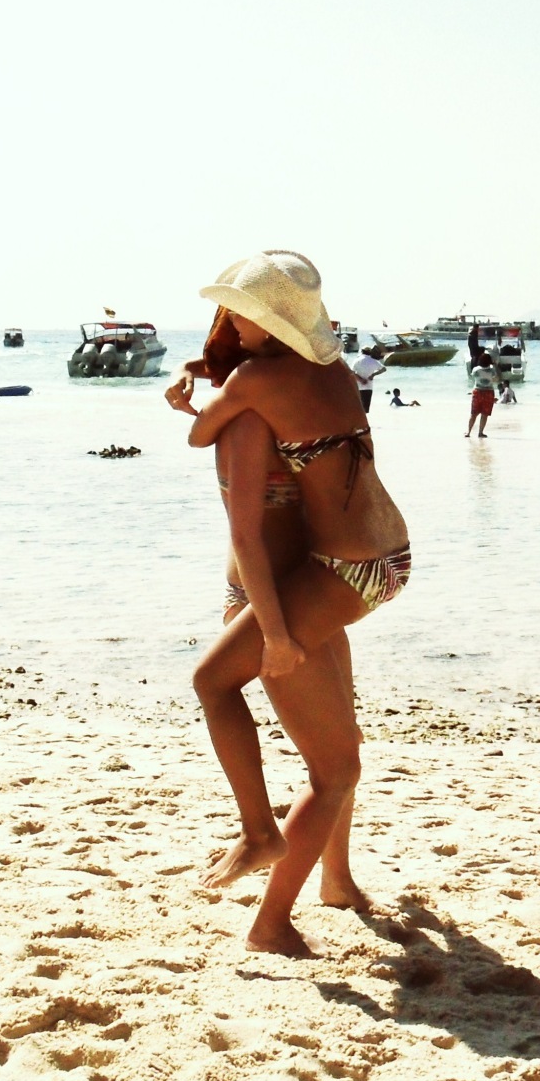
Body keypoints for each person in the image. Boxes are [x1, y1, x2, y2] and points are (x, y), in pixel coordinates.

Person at [165, 250, 410, 958]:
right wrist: (199, 371)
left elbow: (201, 437)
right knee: (340, 749)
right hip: (363, 563)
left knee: (246, 706)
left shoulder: (249, 398)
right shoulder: (326, 371)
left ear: (268, 326)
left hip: (326, 574)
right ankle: (335, 880)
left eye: (241, 312)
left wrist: (273, 632)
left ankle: (267, 895)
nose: (231, 321)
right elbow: (233, 376)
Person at [181, 306, 367, 910]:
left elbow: (211, 408)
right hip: (273, 597)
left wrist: (191, 373)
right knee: (334, 764)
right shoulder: (252, 415)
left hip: (299, 588)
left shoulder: (261, 401)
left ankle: (334, 879)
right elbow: (247, 534)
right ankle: (273, 902)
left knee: (341, 748)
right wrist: (276, 629)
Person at [349, 346, 385, 413]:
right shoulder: (373, 361)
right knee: (365, 409)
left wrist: (361, 380)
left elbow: (351, 372)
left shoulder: (356, 360)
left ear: (362, 352)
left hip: (358, 387)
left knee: (358, 408)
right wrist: (373, 375)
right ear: (370, 352)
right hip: (368, 387)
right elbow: (384, 369)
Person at [466, 360, 496, 437]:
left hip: (477, 391)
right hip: (489, 392)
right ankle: (480, 432)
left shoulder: (476, 369)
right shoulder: (492, 369)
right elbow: (496, 378)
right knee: (485, 414)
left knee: (473, 414)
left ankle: (468, 432)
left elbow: (472, 376)